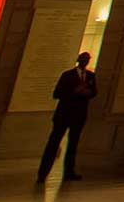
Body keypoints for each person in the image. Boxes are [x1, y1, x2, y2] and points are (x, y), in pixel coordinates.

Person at [38, 52, 97, 183]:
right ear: (78, 60)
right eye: (83, 59)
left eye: (87, 59)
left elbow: (94, 92)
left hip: (79, 115)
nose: (85, 62)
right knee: (53, 143)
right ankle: (43, 173)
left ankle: (69, 172)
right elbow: (57, 93)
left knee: (73, 144)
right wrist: (74, 92)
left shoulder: (91, 76)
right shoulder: (67, 75)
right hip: (64, 114)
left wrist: (87, 92)